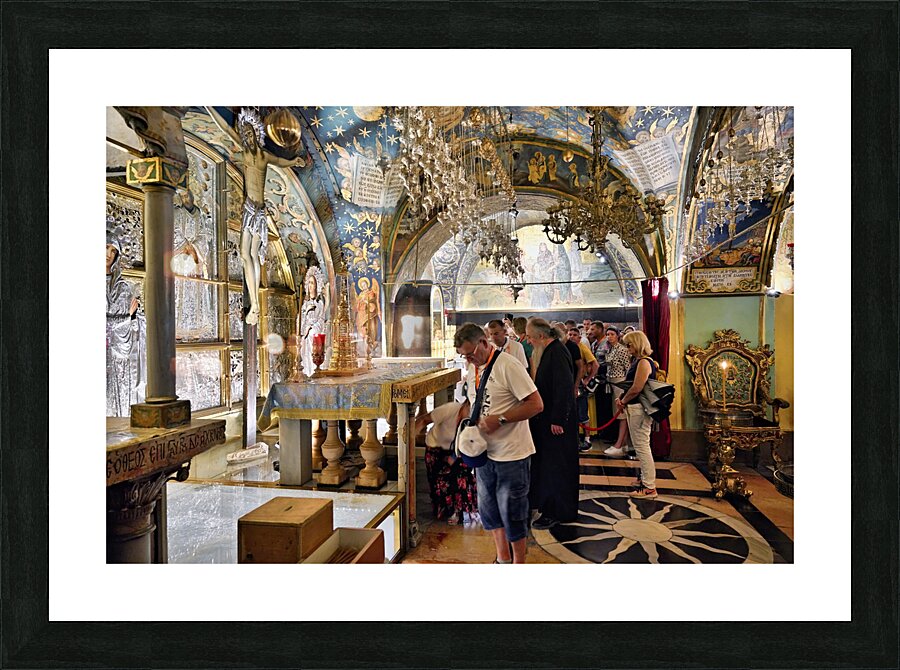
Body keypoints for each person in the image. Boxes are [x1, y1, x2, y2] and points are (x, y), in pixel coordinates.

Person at [207, 106, 305, 325]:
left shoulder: (262, 155)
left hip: (257, 211)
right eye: (246, 134)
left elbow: (281, 162)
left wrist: (294, 162)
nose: (248, 138)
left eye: (251, 134)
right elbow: (224, 127)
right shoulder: (243, 150)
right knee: (246, 255)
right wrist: (208, 106)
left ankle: (256, 306)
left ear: (257, 136)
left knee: (249, 254)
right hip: (250, 209)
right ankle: (255, 306)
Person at [454, 323, 543, 563]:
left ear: (484, 342)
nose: (470, 359)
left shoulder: (508, 365)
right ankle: (502, 558)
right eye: (464, 356)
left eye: (472, 353)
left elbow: (536, 404)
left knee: (513, 512)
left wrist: (501, 419)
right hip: (485, 454)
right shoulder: (475, 367)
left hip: (512, 454)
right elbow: (478, 402)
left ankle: (518, 562)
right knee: (489, 510)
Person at [525, 318, 580, 529]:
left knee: (556, 467)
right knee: (549, 466)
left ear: (540, 336)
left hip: (557, 424)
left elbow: (564, 387)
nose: (529, 342)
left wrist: (558, 419)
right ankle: (550, 507)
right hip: (549, 420)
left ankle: (557, 511)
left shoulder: (556, 351)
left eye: (530, 337)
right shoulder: (551, 350)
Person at [415, 400, 478, 526]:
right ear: (465, 404)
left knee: (462, 475)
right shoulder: (450, 409)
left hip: (456, 450)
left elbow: (469, 442)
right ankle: (443, 509)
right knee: (438, 483)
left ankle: (458, 511)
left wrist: (454, 457)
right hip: (435, 448)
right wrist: (411, 437)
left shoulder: (473, 422)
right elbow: (424, 420)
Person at [616, 330, 658, 498]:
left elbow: (636, 387)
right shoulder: (640, 361)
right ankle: (644, 479)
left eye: (629, 344)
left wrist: (623, 401)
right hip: (636, 407)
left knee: (641, 446)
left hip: (639, 409)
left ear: (638, 343)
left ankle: (649, 487)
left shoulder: (644, 362)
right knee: (640, 445)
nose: (627, 348)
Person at [106, 240, 146, 416]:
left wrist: (136, 317)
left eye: (113, 250)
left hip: (122, 354)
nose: (109, 254)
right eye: (105, 248)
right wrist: (126, 318)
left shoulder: (122, 287)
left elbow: (134, 319)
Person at [602, 326, 632, 458]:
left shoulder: (622, 350)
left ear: (618, 335)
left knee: (621, 414)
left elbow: (628, 368)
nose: (609, 336)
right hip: (612, 382)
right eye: (607, 334)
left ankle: (620, 444)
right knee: (618, 414)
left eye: (612, 334)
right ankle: (622, 443)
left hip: (620, 382)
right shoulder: (610, 349)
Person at [568, 327, 598, 451]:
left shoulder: (582, 347)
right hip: (571, 382)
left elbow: (595, 364)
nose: (572, 336)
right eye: (570, 334)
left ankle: (587, 439)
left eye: (575, 334)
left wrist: (587, 379)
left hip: (580, 384)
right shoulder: (567, 347)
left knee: (582, 412)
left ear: (579, 337)